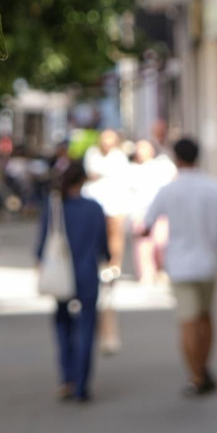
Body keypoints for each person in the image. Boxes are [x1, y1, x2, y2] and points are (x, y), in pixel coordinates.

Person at [139, 137, 217, 397]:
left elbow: (146, 226)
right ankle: (204, 368)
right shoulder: (216, 188)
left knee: (188, 322)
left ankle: (196, 375)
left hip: (181, 264)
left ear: (177, 159)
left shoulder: (169, 190)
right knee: (205, 318)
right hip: (209, 261)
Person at [36, 159, 109, 402]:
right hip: (87, 274)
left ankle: (67, 377)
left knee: (62, 324)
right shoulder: (94, 208)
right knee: (87, 326)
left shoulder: (55, 207)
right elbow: (104, 247)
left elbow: (41, 247)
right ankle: (82, 384)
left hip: (61, 275)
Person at [83, 129, 133, 353]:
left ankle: (115, 265)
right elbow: (92, 174)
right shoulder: (93, 154)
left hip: (115, 203)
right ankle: (104, 263)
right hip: (97, 203)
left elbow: (121, 178)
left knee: (115, 236)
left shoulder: (119, 157)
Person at [131, 138, 176, 284]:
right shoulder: (133, 169)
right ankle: (146, 274)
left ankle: (161, 269)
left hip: (160, 214)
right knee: (143, 246)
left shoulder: (163, 166)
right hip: (141, 212)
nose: (141, 151)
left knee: (161, 242)